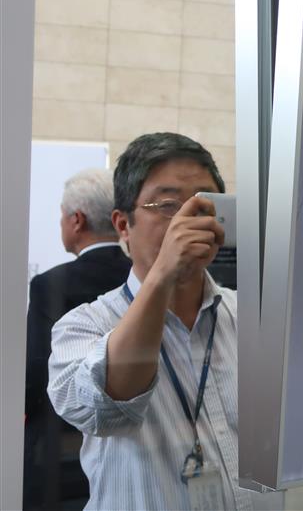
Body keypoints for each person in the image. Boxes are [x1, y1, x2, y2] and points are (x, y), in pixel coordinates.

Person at [47, 133, 248, 510]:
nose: (189, 219)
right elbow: (105, 410)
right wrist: (163, 273)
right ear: (123, 226)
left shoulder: (251, 317)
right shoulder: (84, 325)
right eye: (168, 204)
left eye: (203, 204)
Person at [24, 168, 131, 509]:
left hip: (61, 454)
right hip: (128, 449)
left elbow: (37, 369)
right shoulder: (139, 277)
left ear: (76, 220)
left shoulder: (49, 285)